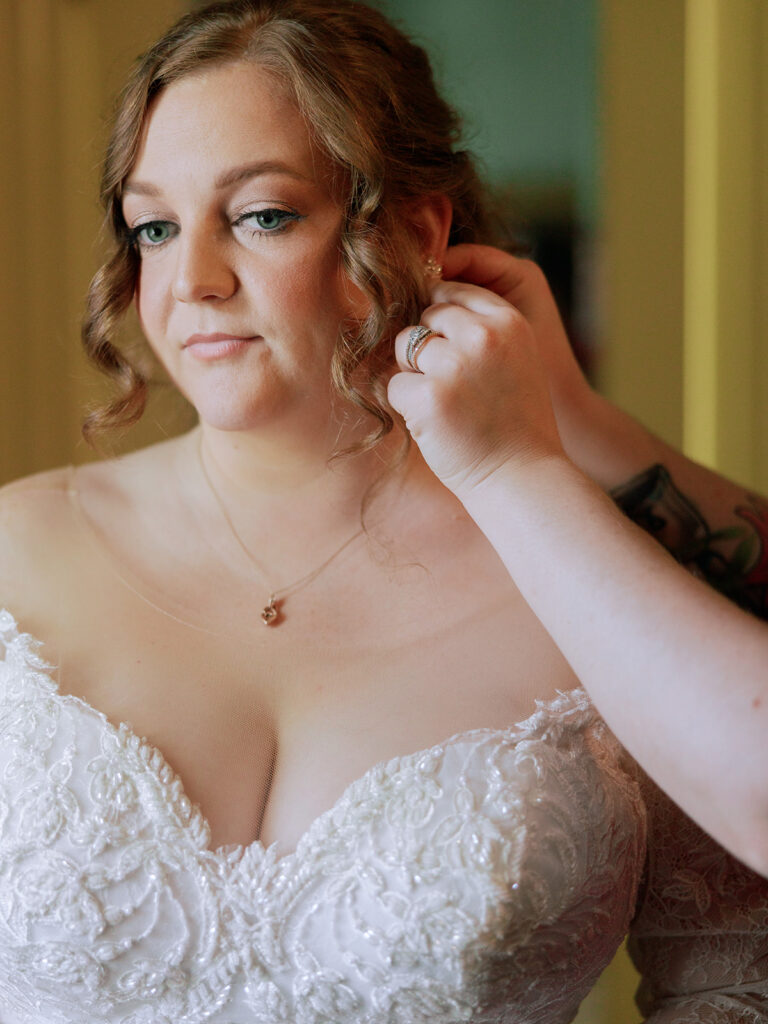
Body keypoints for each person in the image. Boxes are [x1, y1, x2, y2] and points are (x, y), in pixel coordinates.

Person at [0, 1, 765, 1021]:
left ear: (415, 230)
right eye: (155, 226)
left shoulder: (588, 576)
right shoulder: (15, 555)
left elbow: (729, 982)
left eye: (260, 214)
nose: (192, 280)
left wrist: (559, 439)